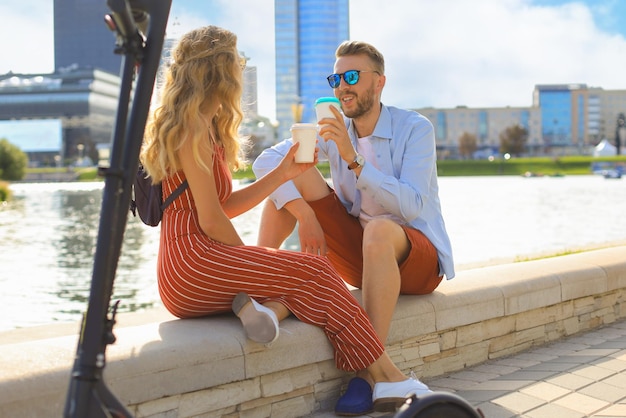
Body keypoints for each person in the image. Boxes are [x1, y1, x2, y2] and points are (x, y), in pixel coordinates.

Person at [140, 26, 432, 415]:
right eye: (237, 62)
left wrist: (283, 175)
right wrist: (250, 263)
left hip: (187, 266)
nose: (241, 70)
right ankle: (387, 377)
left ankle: (270, 310)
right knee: (316, 271)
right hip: (193, 262)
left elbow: (222, 206)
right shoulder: (193, 125)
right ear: (219, 69)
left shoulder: (200, 124)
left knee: (302, 280)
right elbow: (210, 221)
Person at [252, 40, 455, 415]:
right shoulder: (332, 129)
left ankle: (365, 374)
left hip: (417, 260)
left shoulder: (415, 128)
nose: (342, 86)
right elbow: (265, 163)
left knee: (378, 229)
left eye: (352, 76)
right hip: (363, 254)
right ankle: (260, 289)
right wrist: (304, 213)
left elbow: (410, 206)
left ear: (378, 83)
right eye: (336, 78)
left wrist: (352, 158)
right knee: (288, 182)